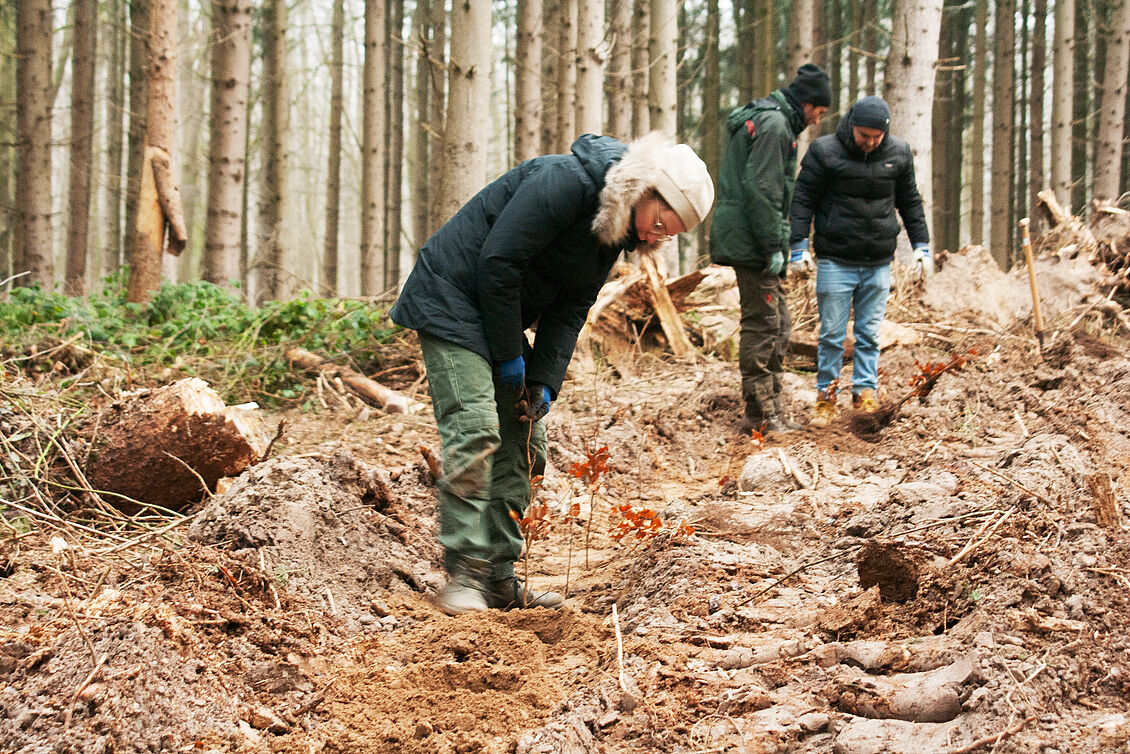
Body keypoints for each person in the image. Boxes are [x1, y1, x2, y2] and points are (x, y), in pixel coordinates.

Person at [390, 132, 714, 615]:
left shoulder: (615, 230)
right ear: (649, 190)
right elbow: (499, 263)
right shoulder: (564, 181)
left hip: (494, 313)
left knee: (527, 439)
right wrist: (508, 357)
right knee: (476, 429)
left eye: (670, 235)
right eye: (661, 223)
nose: (657, 237)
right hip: (450, 297)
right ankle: (464, 573)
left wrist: (543, 379)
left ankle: (499, 577)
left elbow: (572, 305)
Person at [788, 95, 931, 428]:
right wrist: (798, 246)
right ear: (851, 126)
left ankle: (865, 393)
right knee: (832, 336)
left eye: (875, 138)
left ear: (885, 134)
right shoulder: (825, 152)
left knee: (869, 335)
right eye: (863, 136)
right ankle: (826, 398)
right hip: (836, 259)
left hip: (878, 260)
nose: (868, 143)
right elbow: (802, 200)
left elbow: (910, 202)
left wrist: (921, 245)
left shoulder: (898, 153)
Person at [709, 64, 831, 435]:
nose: (818, 121)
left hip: (752, 238)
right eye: (820, 113)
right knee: (764, 325)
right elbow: (763, 188)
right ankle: (760, 415)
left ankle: (770, 411)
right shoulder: (775, 126)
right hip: (752, 242)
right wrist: (774, 244)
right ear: (808, 104)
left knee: (778, 323)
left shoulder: (774, 122)